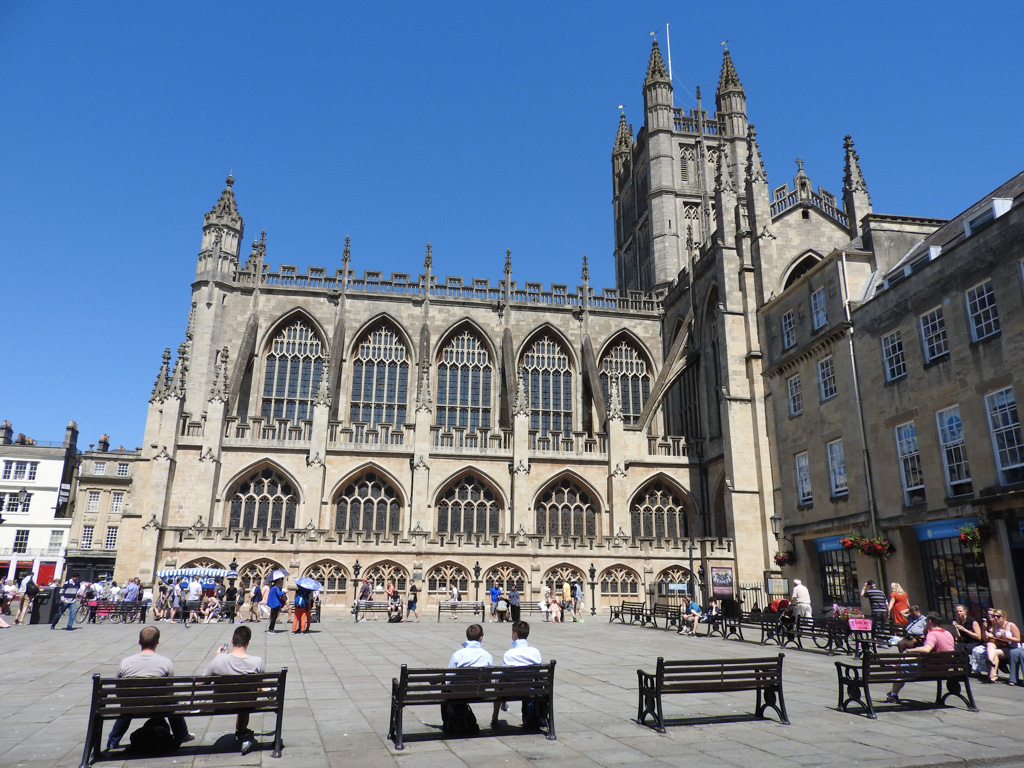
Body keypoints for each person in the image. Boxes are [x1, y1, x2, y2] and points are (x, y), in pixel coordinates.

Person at [106, 627, 194, 752]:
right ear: (157, 642)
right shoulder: (165, 663)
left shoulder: (125, 663)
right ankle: (182, 735)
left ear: (139, 641)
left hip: (130, 706)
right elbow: (170, 692)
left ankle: (112, 742)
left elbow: (118, 692)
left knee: (124, 706)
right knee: (173, 702)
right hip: (158, 705)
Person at [204, 625, 266, 755]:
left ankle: (242, 731)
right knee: (245, 697)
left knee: (243, 697)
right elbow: (260, 687)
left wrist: (219, 656)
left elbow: (201, 682)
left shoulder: (219, 659)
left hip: (221, 704)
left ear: (232, 641)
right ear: (248, 642)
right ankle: (242, 731)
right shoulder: (257, 662)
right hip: (247, 703)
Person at [886, 612, 954, 703]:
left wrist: (910, 650)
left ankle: (893, 694)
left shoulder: (932, 634)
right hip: (944, 667)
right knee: (904, 660)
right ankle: (896, 666)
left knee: (901, 667)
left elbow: (926, 649)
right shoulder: (947, 633)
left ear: (929, 621)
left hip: (929, 669)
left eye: (926, 621)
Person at [491, 620, 543, 729]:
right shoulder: (535, 652)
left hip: (510, 691)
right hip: (530, 689)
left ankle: (495, 718)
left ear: (515, 634)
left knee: (498, 683)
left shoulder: (509, 654)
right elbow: (538, 674)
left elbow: (502, 675)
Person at [984, 609, 1020, 683]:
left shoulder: (1011, 625)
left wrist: (1008, 637)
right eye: (994, 616)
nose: (996, 618)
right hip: (1001, 646)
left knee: (994, 653)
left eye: (998, 616)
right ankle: (992, 673)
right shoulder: (995, 626)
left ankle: (992, 670)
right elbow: (994, 639)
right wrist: (991, 636)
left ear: (1004, 617)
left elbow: (1018, 639)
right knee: (989, 644)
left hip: (1011, 648)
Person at [951, 604, 986, 674]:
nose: (959, 613)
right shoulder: (958, 621)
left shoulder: (972, 621)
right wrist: (955, 628)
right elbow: (959, 636)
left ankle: (967, 667)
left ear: (965, 611)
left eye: (960, 611)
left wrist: (965, 630)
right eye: (957, 612)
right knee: (956, 648)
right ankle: (958, 667)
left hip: (974, 641)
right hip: (964, 641)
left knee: (966, 648)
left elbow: (978, 636)